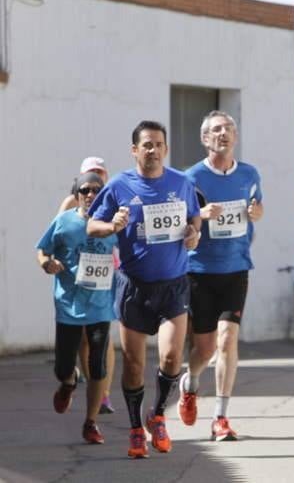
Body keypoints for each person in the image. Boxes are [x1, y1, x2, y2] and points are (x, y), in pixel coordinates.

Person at [87, 120, 201, 458]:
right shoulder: (120, 185)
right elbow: (92, 225)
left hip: (174, 284)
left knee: (170, 356)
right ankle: (136, 427)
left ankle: (158, 415)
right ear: (135, 150)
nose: (153, 150)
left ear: (166, 149)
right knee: (134, 364)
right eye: (146, 145)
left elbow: (194, 219)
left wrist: (194, 233)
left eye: (158, 144)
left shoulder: (181, 183)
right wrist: (112, 225)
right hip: (135, 287)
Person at [177, 111, 263, 441]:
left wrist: (257, 212)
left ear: (235, 137)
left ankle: (220, 417)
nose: (223, 133)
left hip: (237, 268)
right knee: (204, 348)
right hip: (199, 271)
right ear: (205, 139)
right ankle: (191, 382)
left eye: (228, 128)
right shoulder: (191, 178)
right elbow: (181, 222)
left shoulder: (249, 173)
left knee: (227, 340)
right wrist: (199, 215)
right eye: (216, 130)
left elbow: (258, 207)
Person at [36, 171, 117, 444]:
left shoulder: (112, 224)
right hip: (68, 305)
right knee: (62, 366)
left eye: (97, 191)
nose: (91, 195)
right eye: (85, 190)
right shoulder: (64, 221)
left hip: (100, 305)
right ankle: (69, 381)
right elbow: (42, 249)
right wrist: (47, 263)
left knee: (98, 366)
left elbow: (133, 251)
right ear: (76, 195)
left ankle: (91, 422)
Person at [57, 156, 116, 415]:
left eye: (99, 176)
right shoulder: (71, 204)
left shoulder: (113, 202)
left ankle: (102, 395)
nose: (93, 188)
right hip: (75, 283)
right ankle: (74, 376)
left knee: (101, 343)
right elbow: (59, 235)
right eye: (89, 176)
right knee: (80, 341)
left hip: (103, 281)